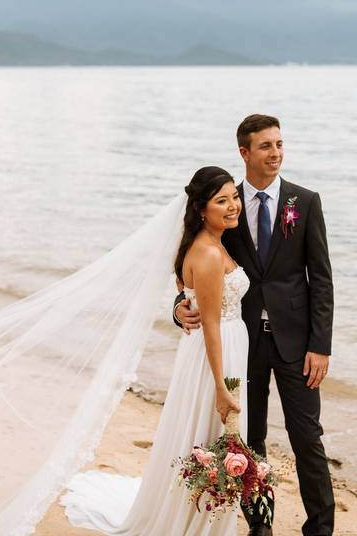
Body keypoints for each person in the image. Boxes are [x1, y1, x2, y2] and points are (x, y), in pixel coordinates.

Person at [60, 166, 250, 534]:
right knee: (212, 436)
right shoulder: (209, 254)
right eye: (222, 200)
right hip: (216, 354)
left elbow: (187, 290)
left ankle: (195, 517)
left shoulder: (205, 245)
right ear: (201, 209)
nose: (233, 206)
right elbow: (210, 323)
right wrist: (222, 387)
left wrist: (183, 304)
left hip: (215, 349)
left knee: (207, 437)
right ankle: (195, 524)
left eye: (234, 197)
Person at [174, 114, 335, 536]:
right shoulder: (224, 206)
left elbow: (321, 280)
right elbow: (191, 261)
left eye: (280, 144)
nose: (276, 153)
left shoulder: (306, 202)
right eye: (266, 146)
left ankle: (320, 529)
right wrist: (180, 305)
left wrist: (321, 345)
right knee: (249, 438)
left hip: (298, 345)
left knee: (308, 440)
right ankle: (260, 527)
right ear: (244, 152)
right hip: (242, 343)